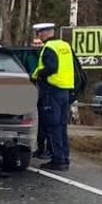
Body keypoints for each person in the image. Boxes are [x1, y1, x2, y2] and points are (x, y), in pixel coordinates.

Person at [30, 23, 78, 171]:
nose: (38, 36)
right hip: (66, 90)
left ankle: (58, 160)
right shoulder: (65, 45)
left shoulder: (49, 48)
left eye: (39, 33)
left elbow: (51, 68)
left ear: (44, 34)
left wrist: (37, 74)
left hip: (53, 91)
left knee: (53, 126)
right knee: (62, 126)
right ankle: (64, 157)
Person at [30, 26, 50, 160]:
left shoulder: (47, 55)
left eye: (39, 44)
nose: (37, 46)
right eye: (35, 43)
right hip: (32, 89)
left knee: (46, 121)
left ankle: (46, 149)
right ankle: (40, 147)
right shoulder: (27, 55)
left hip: (45, 91)